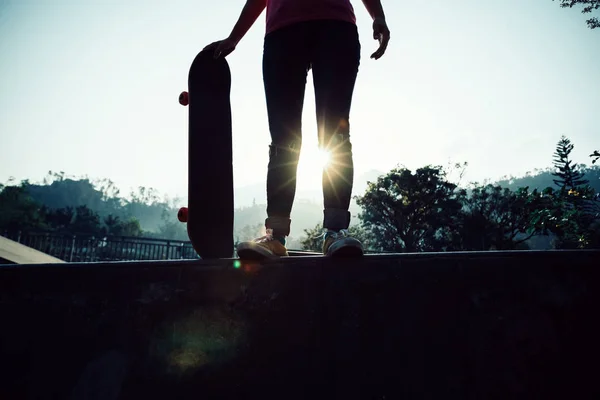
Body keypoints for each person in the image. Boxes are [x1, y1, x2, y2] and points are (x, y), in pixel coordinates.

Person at [204, 0, 390, 258]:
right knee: (283, 139)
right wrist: (235, 37)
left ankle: (335, 232)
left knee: (334, 135)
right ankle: (276, 237)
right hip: (283, 32)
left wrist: (377, 15)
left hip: (335, 26)